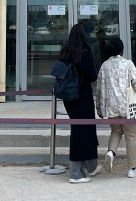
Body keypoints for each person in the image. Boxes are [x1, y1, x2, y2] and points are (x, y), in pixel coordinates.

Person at [95, 36, 136, 179]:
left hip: (111, 107)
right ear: (122, 50)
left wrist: (99, 109)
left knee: (116, 131)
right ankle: (132, 168)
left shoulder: (104, 66)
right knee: (131, 136)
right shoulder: (128, 64)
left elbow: (99, 89)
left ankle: (111, 152)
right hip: (127, 106)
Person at [58, 22, 101, 184]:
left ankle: (90, 166)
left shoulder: (65, 52)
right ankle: (76, 173)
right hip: (83, 96)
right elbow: (92, 76)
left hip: (69, 98)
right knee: (82, 131)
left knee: (81, 130)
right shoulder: (85, 53)